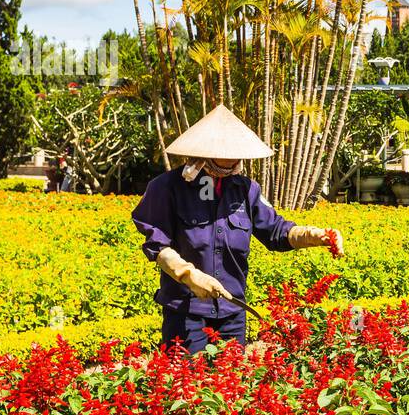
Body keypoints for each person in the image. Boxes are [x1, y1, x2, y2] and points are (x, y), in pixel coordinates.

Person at [132, 104, 344, 353]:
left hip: (232, 311)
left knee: (232, 376)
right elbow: (157, 246)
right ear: (206, 149)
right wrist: (188, 276)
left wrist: (314, 236)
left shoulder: (246, 189)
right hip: (186, 311)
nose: (233, 158)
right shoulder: (167, 187)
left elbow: (276, 231)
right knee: (185, 376)